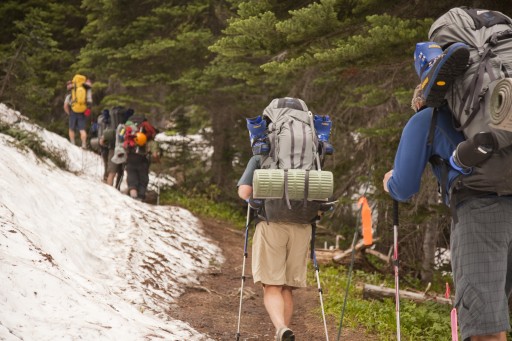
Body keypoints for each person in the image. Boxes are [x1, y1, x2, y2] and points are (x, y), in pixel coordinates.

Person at [385, 42, 512, 341]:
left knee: (485, 329)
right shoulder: (488, 111)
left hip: (481, 215)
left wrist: (388, 181)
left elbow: (403, 187)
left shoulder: (424, 120)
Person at [124, 115, 158, 201]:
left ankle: (133, 195)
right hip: (142, 160)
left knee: (131, 177)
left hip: (130, 158)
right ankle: (140, 197)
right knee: (143, 180)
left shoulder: (130, 135)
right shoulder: (150, 140)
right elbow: (155, 155)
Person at [64, 75, 92, 148]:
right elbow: (89, 101)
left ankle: (72, 143)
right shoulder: (86, 88)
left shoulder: (72, 88)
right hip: (83, 110)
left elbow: (65, 105)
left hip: (73, 110)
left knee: (71, 128)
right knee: (82, 129)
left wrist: (69, 113)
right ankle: (84, 144)